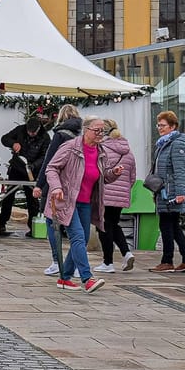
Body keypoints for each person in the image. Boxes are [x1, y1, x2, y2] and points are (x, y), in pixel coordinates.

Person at [41, 116, 111, 292]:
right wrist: (56, 187)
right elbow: (51, 168)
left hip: (85, 202)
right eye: (97, 130)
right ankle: (87, 279)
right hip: (66, 201)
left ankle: (65, 278)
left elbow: (104, 176)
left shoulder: (101, 150)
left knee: (84, 238)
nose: (100, 134)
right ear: (86, 129)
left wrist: (114, 173)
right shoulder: (70, 147)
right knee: (78, 236)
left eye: (103, 131)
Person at [33, 105, 83, 276]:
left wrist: (39, 185)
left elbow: (49, 162)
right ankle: (75, 264)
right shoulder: (81, 136)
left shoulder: (60, 135)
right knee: (74, 227)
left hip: (55, 186)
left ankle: (57, 261)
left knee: (52, 221)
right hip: (76, 186)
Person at [151, 111, 185, 273]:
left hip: (171, 193)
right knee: (173, 226)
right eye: (158, 125)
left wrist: (181, 193)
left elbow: (180, 171)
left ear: (173, 126)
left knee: (167, 226)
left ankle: (167, 261)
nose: (159, 128)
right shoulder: (164, 143)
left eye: (163, 126)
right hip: (164, 192)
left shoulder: (177, 144)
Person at [89, 118, 136, 273]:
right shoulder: (127, 150)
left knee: (103, 227)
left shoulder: (102, 148)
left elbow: (97, 172)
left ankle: (108, 262)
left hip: (105, 193)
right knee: (113, 224)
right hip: (121, 195)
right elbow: (132, 177)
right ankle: (126, 252)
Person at [0, 114, 48, 238]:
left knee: (32, 200)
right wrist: (13, 143)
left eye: (33, 132)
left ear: (38, 129)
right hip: (16, 168)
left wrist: (33, 166)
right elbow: (4, 138)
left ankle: (33, 227)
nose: (31, 134)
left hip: (32, 171)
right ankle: (1, 224)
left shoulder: (45, 137)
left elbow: (45, 156)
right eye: (29, 131)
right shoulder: (20, 130)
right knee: (8, 197)